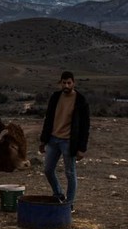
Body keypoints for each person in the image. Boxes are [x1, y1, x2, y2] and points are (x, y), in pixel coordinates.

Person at [38, 71, 90, 213]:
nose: (66, 85)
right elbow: (48, 119)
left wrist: (82, 148)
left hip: (69, 141)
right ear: (60, 83)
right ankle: (58, 194)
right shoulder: (55, 97)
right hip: (53, 139)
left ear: (74, 83)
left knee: (70, 172)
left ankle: (69, 204)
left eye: (69, 83)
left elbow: (85, 126)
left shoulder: (80, 100)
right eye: (64, 83)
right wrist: (43, 140)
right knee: (48, 170)